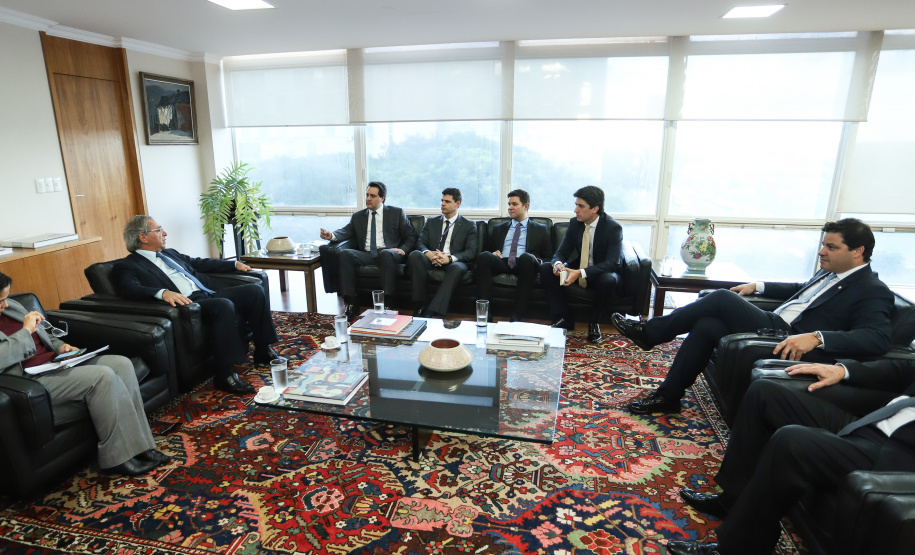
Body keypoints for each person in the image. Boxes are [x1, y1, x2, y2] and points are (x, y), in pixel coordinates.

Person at [616, 218, 895, 415]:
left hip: (789, 337)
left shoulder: (872, 291)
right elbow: (801, 289)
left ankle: (651, 333)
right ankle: (669, 396)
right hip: (773, 322)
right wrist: (758, 286)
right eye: (824, 245)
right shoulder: (830, 271)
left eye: (831, 247)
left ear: (858, 252)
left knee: (723, 297)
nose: (822, 251)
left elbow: (878, 338)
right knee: (707, 324)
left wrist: (817, 338)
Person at [667, 358, 915, 555]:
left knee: (792, 440)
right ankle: (732, 499)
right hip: (877, 418)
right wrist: (843, 370)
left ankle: (739, 548)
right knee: (765, 392)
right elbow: (905, 368)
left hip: (896, 453)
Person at [0, 272, 170, 476]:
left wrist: (62, 346)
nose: (6, 305)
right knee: (103, 377)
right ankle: (117, 459)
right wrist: (25, 331)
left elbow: (45, 336)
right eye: (0, 300)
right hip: (31, 381)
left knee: (121, 364)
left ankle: (141, 447)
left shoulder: (13, 307)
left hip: (55, 363)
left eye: (6, 298)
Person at [112, 215, 279, 395]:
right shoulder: (127, 266)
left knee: (254, 290)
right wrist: (162, 293)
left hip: (208, 292)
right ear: (142, 237)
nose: (165, 233)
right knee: (223, 305)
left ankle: (262, 349)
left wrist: (233, 265)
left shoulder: (169, 253)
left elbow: (198, 263)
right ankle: (225, 375)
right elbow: (129, 289)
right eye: (159, 230)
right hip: (189, 305)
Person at [538, 185, 624, 343]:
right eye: (576, 205)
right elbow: (561, 252)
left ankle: (594, 324)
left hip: (599, 273)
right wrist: (557, 264)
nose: (576, 210)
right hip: (576, 269)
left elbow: (612, 262)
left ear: (595, 209)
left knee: (609, 279)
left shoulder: (612, 228)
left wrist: (581, 272)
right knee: (545, 267)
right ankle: (563, 318)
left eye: (581, 206)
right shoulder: (575, 223)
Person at [320, 182, 416, 321]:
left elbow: (411, 236)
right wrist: (331, 236)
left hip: (389, 253)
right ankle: (352, 303)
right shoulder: (358, 216)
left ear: (382, 198)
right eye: (367, 195)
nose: (368, 199)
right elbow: (345, 231)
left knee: (386, 253)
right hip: (366, 254)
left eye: (372, 196)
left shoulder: (396, 213)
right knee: (345, 254)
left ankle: (387, 304)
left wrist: (403, 250)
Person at [475, 189, 552, 322]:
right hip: (502, 261)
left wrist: (536, 260)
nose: (510, 208)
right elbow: (488, 249)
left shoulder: (540, 229)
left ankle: (517, 315)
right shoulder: (499, 228)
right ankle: (485, 314)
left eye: (514, 204)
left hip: (525, 263)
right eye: (509, 204)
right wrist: (494, 253)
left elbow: (549, 257)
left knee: (526, 258)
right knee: (484, 256)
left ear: (526, 206)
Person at [408, 188, 478, 318]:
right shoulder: (431, 222)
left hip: (454, 261)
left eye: (447, 201)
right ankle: (420, 304)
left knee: (457, 268)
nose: (442, 204)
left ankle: (434, 310)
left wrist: (449, 258)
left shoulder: (469, 225)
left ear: (457, 204)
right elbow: (420, 243)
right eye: (442, 201)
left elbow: (470, 251)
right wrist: (428, 253)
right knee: (415, 255)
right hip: (432, 258)